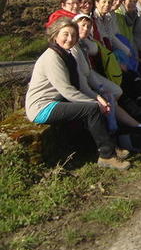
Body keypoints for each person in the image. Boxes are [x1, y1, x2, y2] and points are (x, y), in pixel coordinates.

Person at [24, 18, 130, 170]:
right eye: (65, 34)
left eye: (73, 35)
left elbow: (80, 85)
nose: (70, 39)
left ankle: (109, 147)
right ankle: (107, 156)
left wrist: (98, 97)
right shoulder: (52, 57)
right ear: (55, 36)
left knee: (97, 104)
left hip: (57, 101)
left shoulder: (66, 55)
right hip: (42, 107)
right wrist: (94, 103)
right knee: (92, 109)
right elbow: (67, 90)